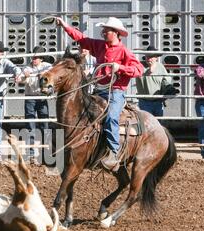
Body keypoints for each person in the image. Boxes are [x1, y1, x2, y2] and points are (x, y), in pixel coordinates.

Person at [56, 16, 144, 172]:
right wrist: (65, 26)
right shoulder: (99, 45)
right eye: (104, 30)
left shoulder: (124, 52)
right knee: (82, 114)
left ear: (116, 33)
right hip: (99, 90)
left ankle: (114, 153)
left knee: (111, 118)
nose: (103, 32)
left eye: (106, 30)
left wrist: (121, 68)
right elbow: (81, 38)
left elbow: (139, 70)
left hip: (115, 91)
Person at [16, 46, 53, 164]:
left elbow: (53, 75)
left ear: (41, 59)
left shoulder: (47, 66)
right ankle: (31, 154)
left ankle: (46, 152)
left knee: (44, 125)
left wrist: (44, 74)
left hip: (41, 97)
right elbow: (19, 79)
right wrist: (24, 76)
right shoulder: (27, 68)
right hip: (31, 97)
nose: (34, 59)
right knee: (30, 126)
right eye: (33, 57)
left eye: (37, 57)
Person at [135, 45, 173, 116]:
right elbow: (146, 72)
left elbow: (167, 80)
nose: (149, 58)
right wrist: (150, 69)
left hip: (158, 101)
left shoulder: (160, 66)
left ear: (156, 57)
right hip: (144, 102)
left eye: (151, 56)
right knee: (146, 124)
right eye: (147, 56)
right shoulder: (140, 65)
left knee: (158, 123)